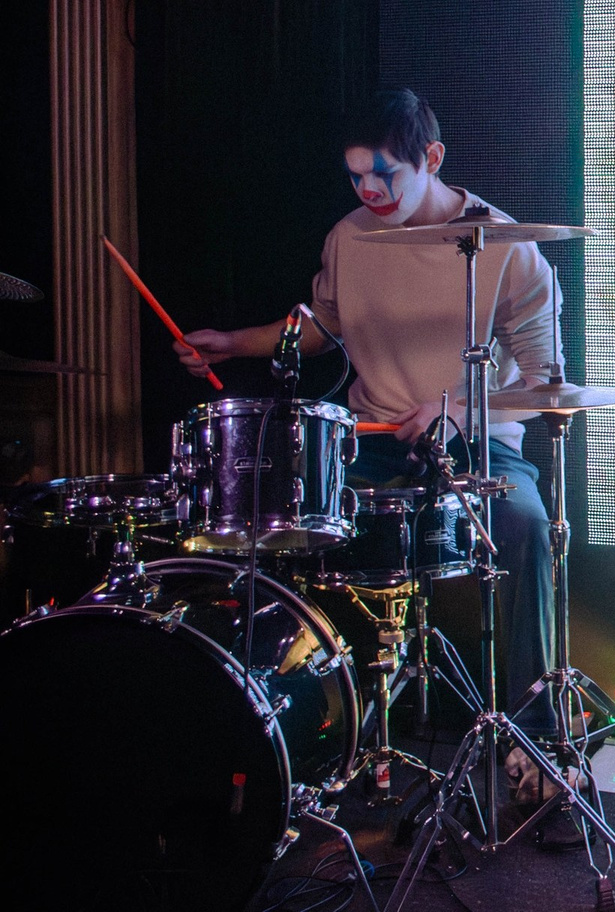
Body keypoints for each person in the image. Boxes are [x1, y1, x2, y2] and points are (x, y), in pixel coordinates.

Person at [175, 88, 558, 742]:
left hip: (479, 444)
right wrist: (232, 343)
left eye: (384, 174)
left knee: (527, 526)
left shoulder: (509, 247)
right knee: (274, 518)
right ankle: (290, 729)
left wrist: (460, 410)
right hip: (372, 441)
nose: (369, 190)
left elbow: (546, 381)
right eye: (356, 176)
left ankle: (535, 735)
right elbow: (322, 326)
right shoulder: (349, 237)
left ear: (432, 158)